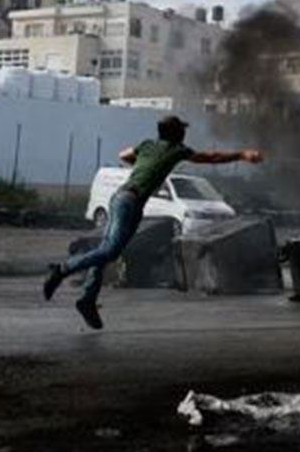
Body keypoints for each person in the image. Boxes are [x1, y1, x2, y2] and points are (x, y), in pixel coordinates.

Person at [42, 115, 264, 329]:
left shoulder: (147, 145)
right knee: (109, 251)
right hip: (129, 201)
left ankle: (88, 300)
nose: (185, 133)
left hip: (123, 199)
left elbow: (124, 155)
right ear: (177, 134)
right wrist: (242, 154)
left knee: (105, 252)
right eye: (182, 129)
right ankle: (62, 270)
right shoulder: (177, 150)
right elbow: (211, 157)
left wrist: (144, 163)